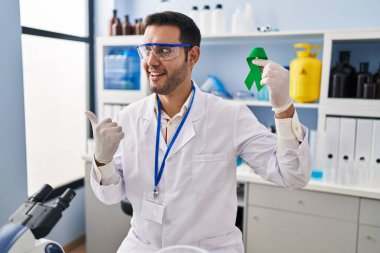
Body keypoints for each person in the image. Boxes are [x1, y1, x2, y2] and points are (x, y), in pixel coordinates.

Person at [86, 11, 312, 253]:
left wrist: (284, 108)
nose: (151, 61)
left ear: (192, 55)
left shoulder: (229, 116)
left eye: (163, 50)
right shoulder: (129, 117)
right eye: (147, 49)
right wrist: (103, 159)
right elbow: (110, 196)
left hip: (208, 250)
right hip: (143, 246)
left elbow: (293, 175)